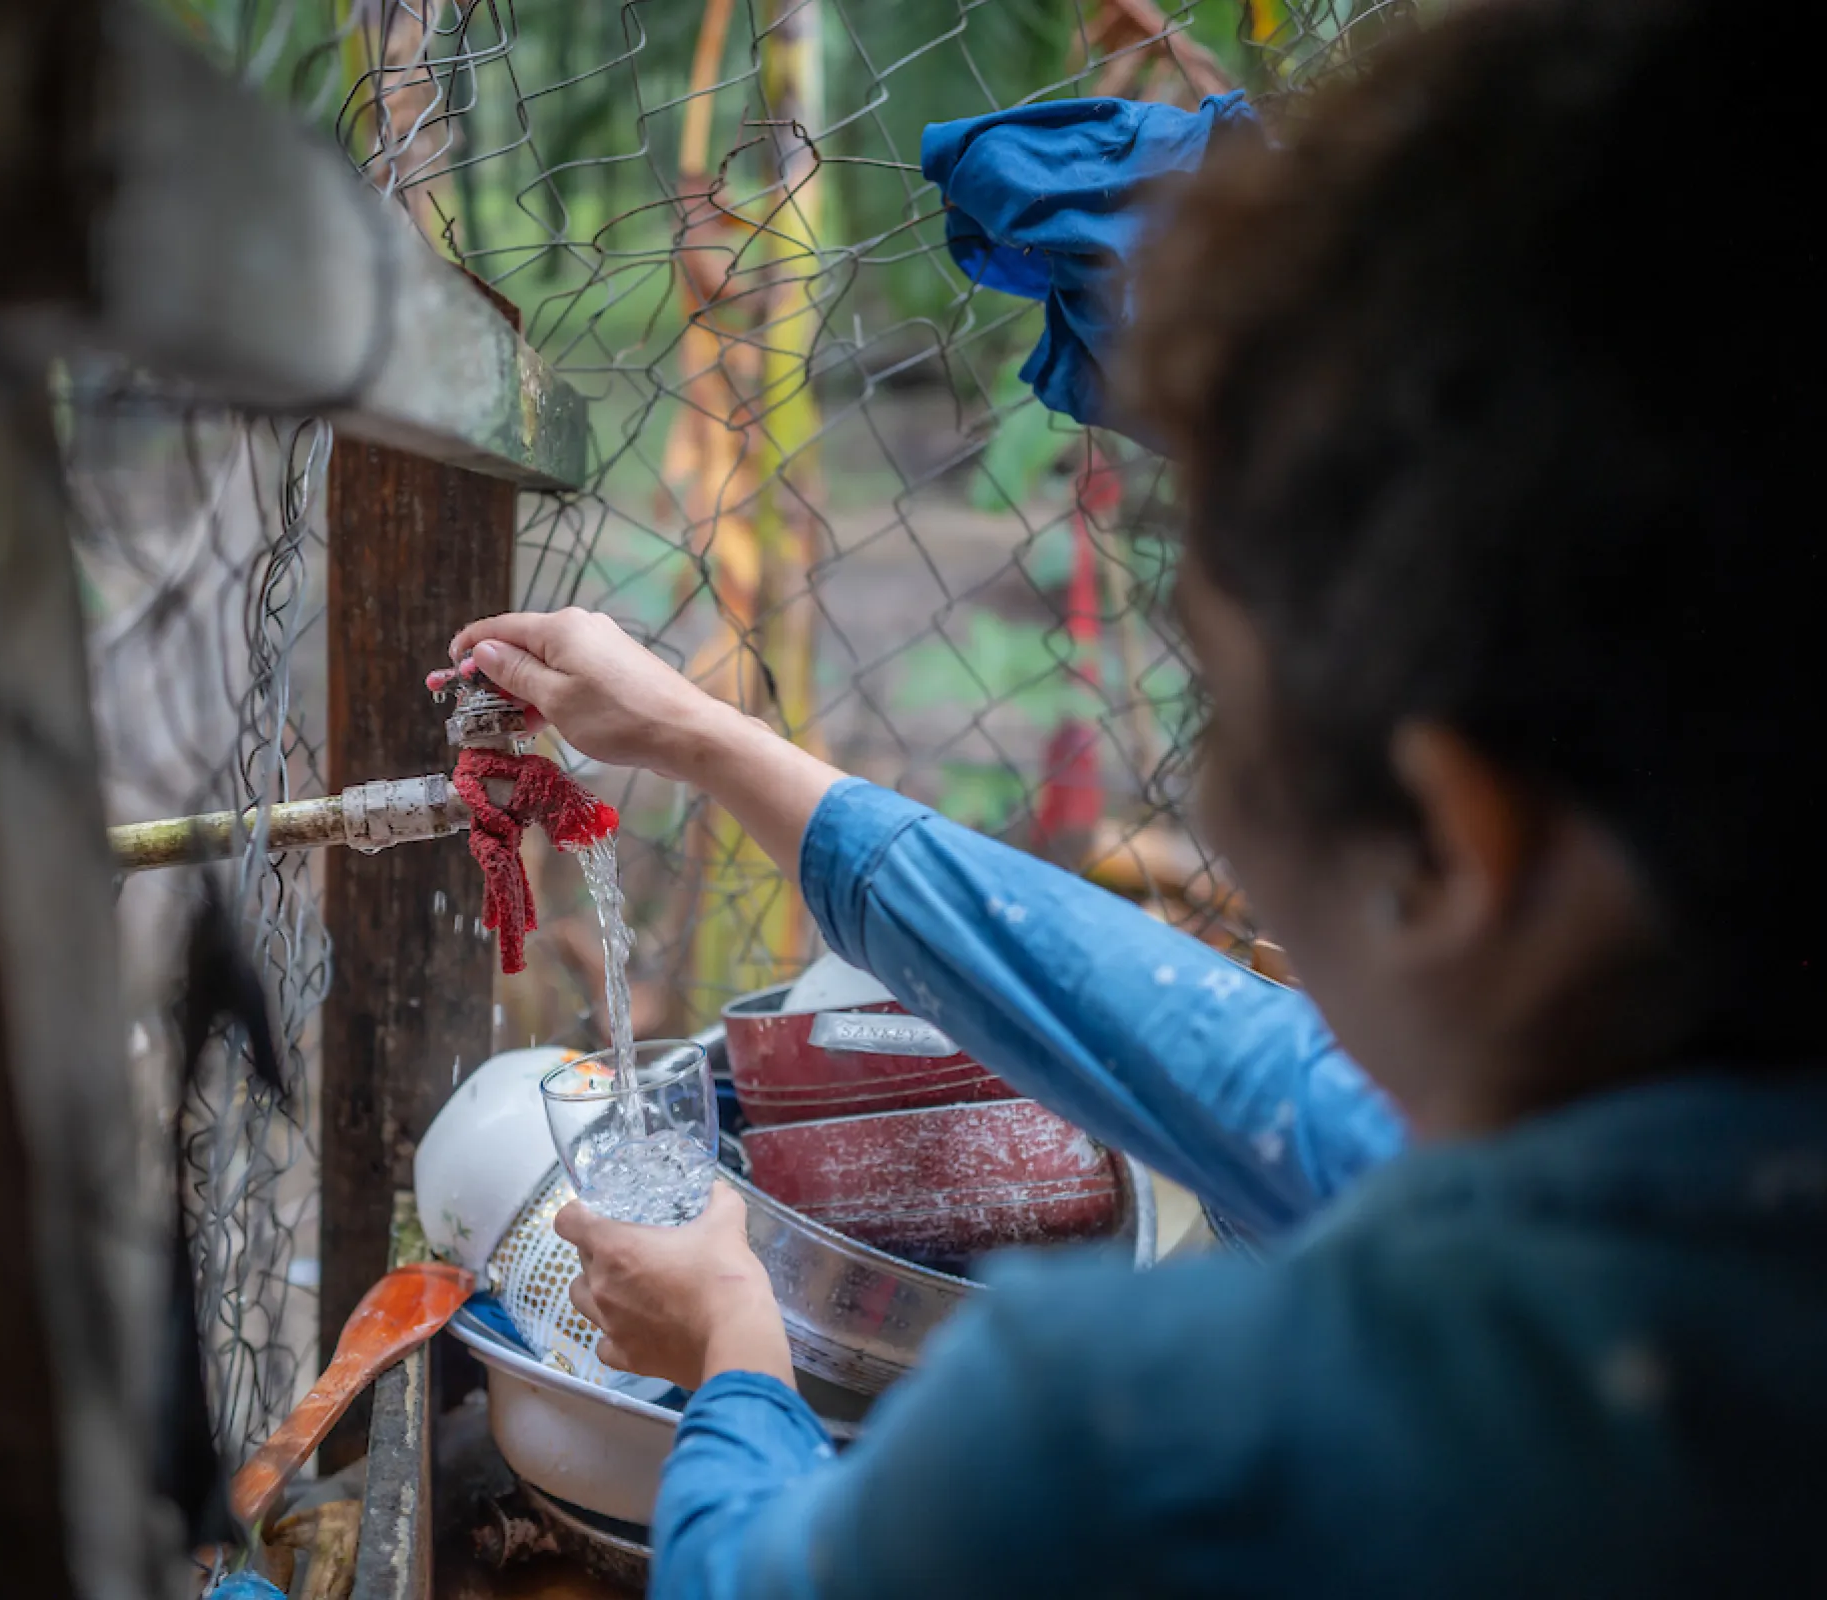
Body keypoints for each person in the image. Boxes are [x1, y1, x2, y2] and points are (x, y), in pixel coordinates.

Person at [447, 0, 1827, 1592]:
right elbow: (1222, 1064)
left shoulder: (1144, 1440)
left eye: (1226, 709)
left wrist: (737, 1355)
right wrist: (705, 739)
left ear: (1454, 848)